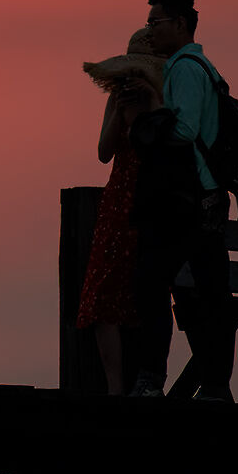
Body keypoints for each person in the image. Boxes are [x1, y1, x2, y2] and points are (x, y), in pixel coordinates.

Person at [125, 0, 238, 400]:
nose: (150, 31)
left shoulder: (184, 69)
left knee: (152, 284)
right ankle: (216, 385)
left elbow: (182, 132)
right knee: (210, 292)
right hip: (208, 198)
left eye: (155, 23)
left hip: (185, 199)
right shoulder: (206, 68)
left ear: (180, 24)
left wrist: (153, 106)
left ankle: (152, 380)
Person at [75, 29, 166, 394]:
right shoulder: (116, 98)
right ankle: (115, 388)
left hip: (153, 199)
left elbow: (166, 143)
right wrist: (119, 112)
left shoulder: (166, 99)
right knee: (101, 292)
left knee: (147, 292)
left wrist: (152, 101)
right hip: (118, 200)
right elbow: (103, 152)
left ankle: (146, 381)